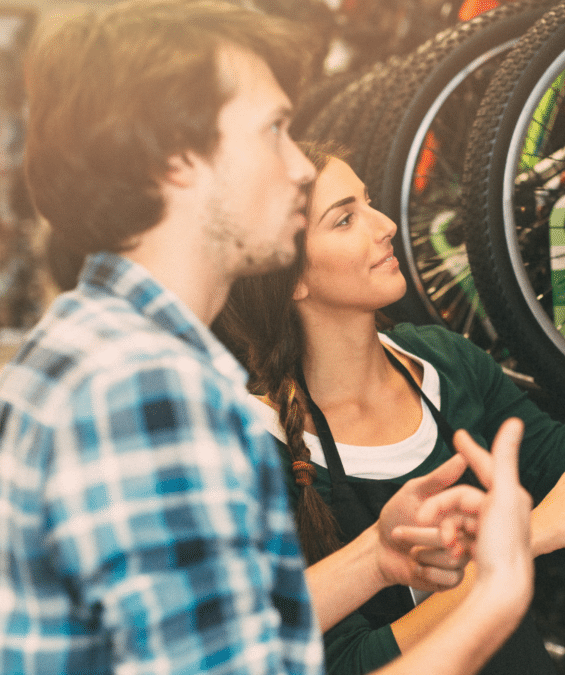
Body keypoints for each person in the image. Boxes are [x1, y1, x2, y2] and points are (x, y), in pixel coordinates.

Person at [0, 2, 537, 674]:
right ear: (178, 160)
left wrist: (373, 556)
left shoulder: (103, 343)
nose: (301, 167)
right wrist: (498, 592)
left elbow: (203, 627)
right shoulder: (145, 393)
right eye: (274, 129)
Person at [215, 142, 565, 675]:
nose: (385, 225)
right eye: (345, 219)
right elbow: (350, 664)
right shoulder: (257, 448)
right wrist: (524, 539)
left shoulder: (443, 361)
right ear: (292, 278)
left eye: (370, 201)